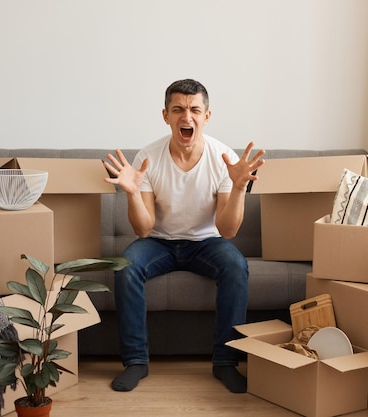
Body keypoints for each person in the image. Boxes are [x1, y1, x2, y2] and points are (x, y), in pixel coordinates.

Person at [103, 79, 265, 394]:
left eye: (194, 110)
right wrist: (133, 193)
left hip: (207, 242)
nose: (186, 117)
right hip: (158, 242)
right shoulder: (148, 157)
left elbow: (227, 230)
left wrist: (239, 187)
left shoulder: (223, 158)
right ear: (166, 115)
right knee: (125, 265)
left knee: (236, 266)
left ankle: (226, 363)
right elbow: (143, 229)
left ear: (206, 116)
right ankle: (136, 361)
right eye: (178, 109)